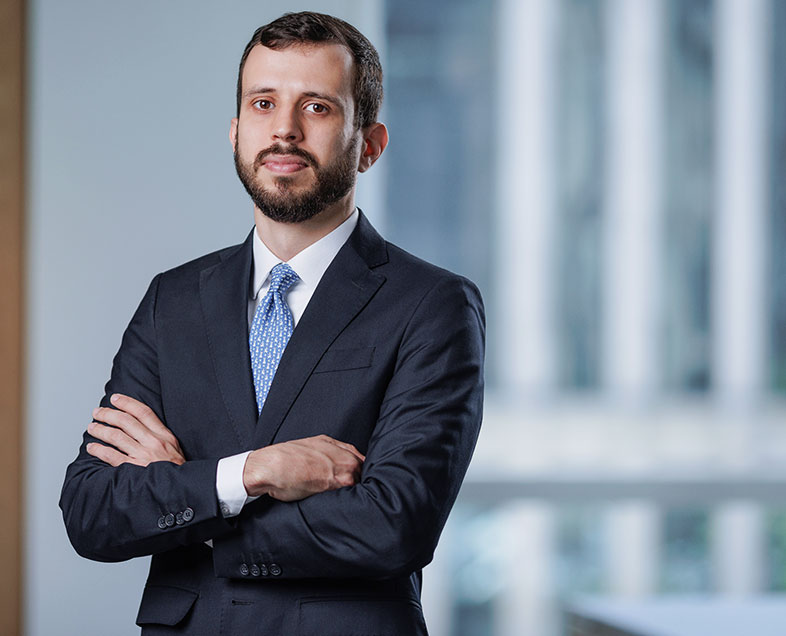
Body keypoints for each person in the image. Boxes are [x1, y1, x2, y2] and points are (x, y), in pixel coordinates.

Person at [60, 11, 484, 635]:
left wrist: (192, 501)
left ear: (369, 145)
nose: (283, 130)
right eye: (263, 103)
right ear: (234, 132)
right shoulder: (171, 300)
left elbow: (393, 524)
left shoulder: (433, 305)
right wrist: (250, 473)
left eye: (316, 107)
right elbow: (92, 510)